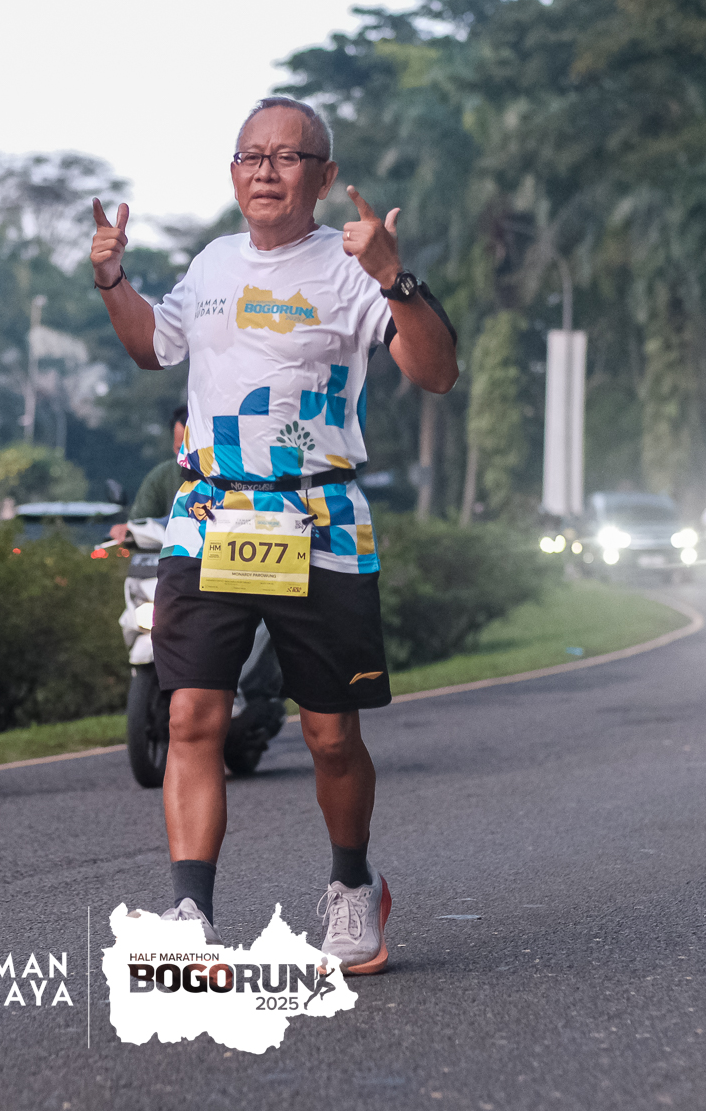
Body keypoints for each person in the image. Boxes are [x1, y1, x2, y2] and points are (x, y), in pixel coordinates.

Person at [89, 96, 458, 972]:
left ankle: (352, 884)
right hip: (211, 514)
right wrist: (111, 280)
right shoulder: (214, 261)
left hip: (318, 517)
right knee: (190, 717)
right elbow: (152, 347)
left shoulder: (351, 266)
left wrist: (396, 278)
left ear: (324, 178)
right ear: (233, 173)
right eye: (251, 155)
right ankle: (189, 914)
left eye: (288, 157)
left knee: (330, 735)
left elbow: (437, 372)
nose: (265, 170)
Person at [110, 407, 188, 540]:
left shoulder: (223, 477)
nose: (186, 456)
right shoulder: (161, 476)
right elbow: (139, 523)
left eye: (192, 449)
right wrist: (127, 530)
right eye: (180, 449)